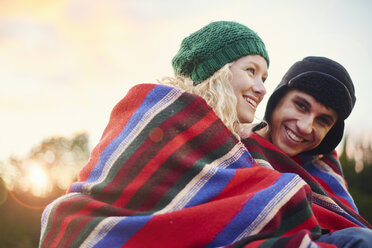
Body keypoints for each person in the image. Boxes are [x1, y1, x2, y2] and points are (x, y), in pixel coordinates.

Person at [38, 21, 357, 248]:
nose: (260, 88)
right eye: (251, 71)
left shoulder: (314, 169)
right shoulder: (166, 115)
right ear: (219, 69)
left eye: (324, 121)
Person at [242, 56, 372, 247]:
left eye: (323, 120)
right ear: (278, 99)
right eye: (301, 106)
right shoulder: (234, 148)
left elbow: (349, 227)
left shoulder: (322, 165)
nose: (305, 127)